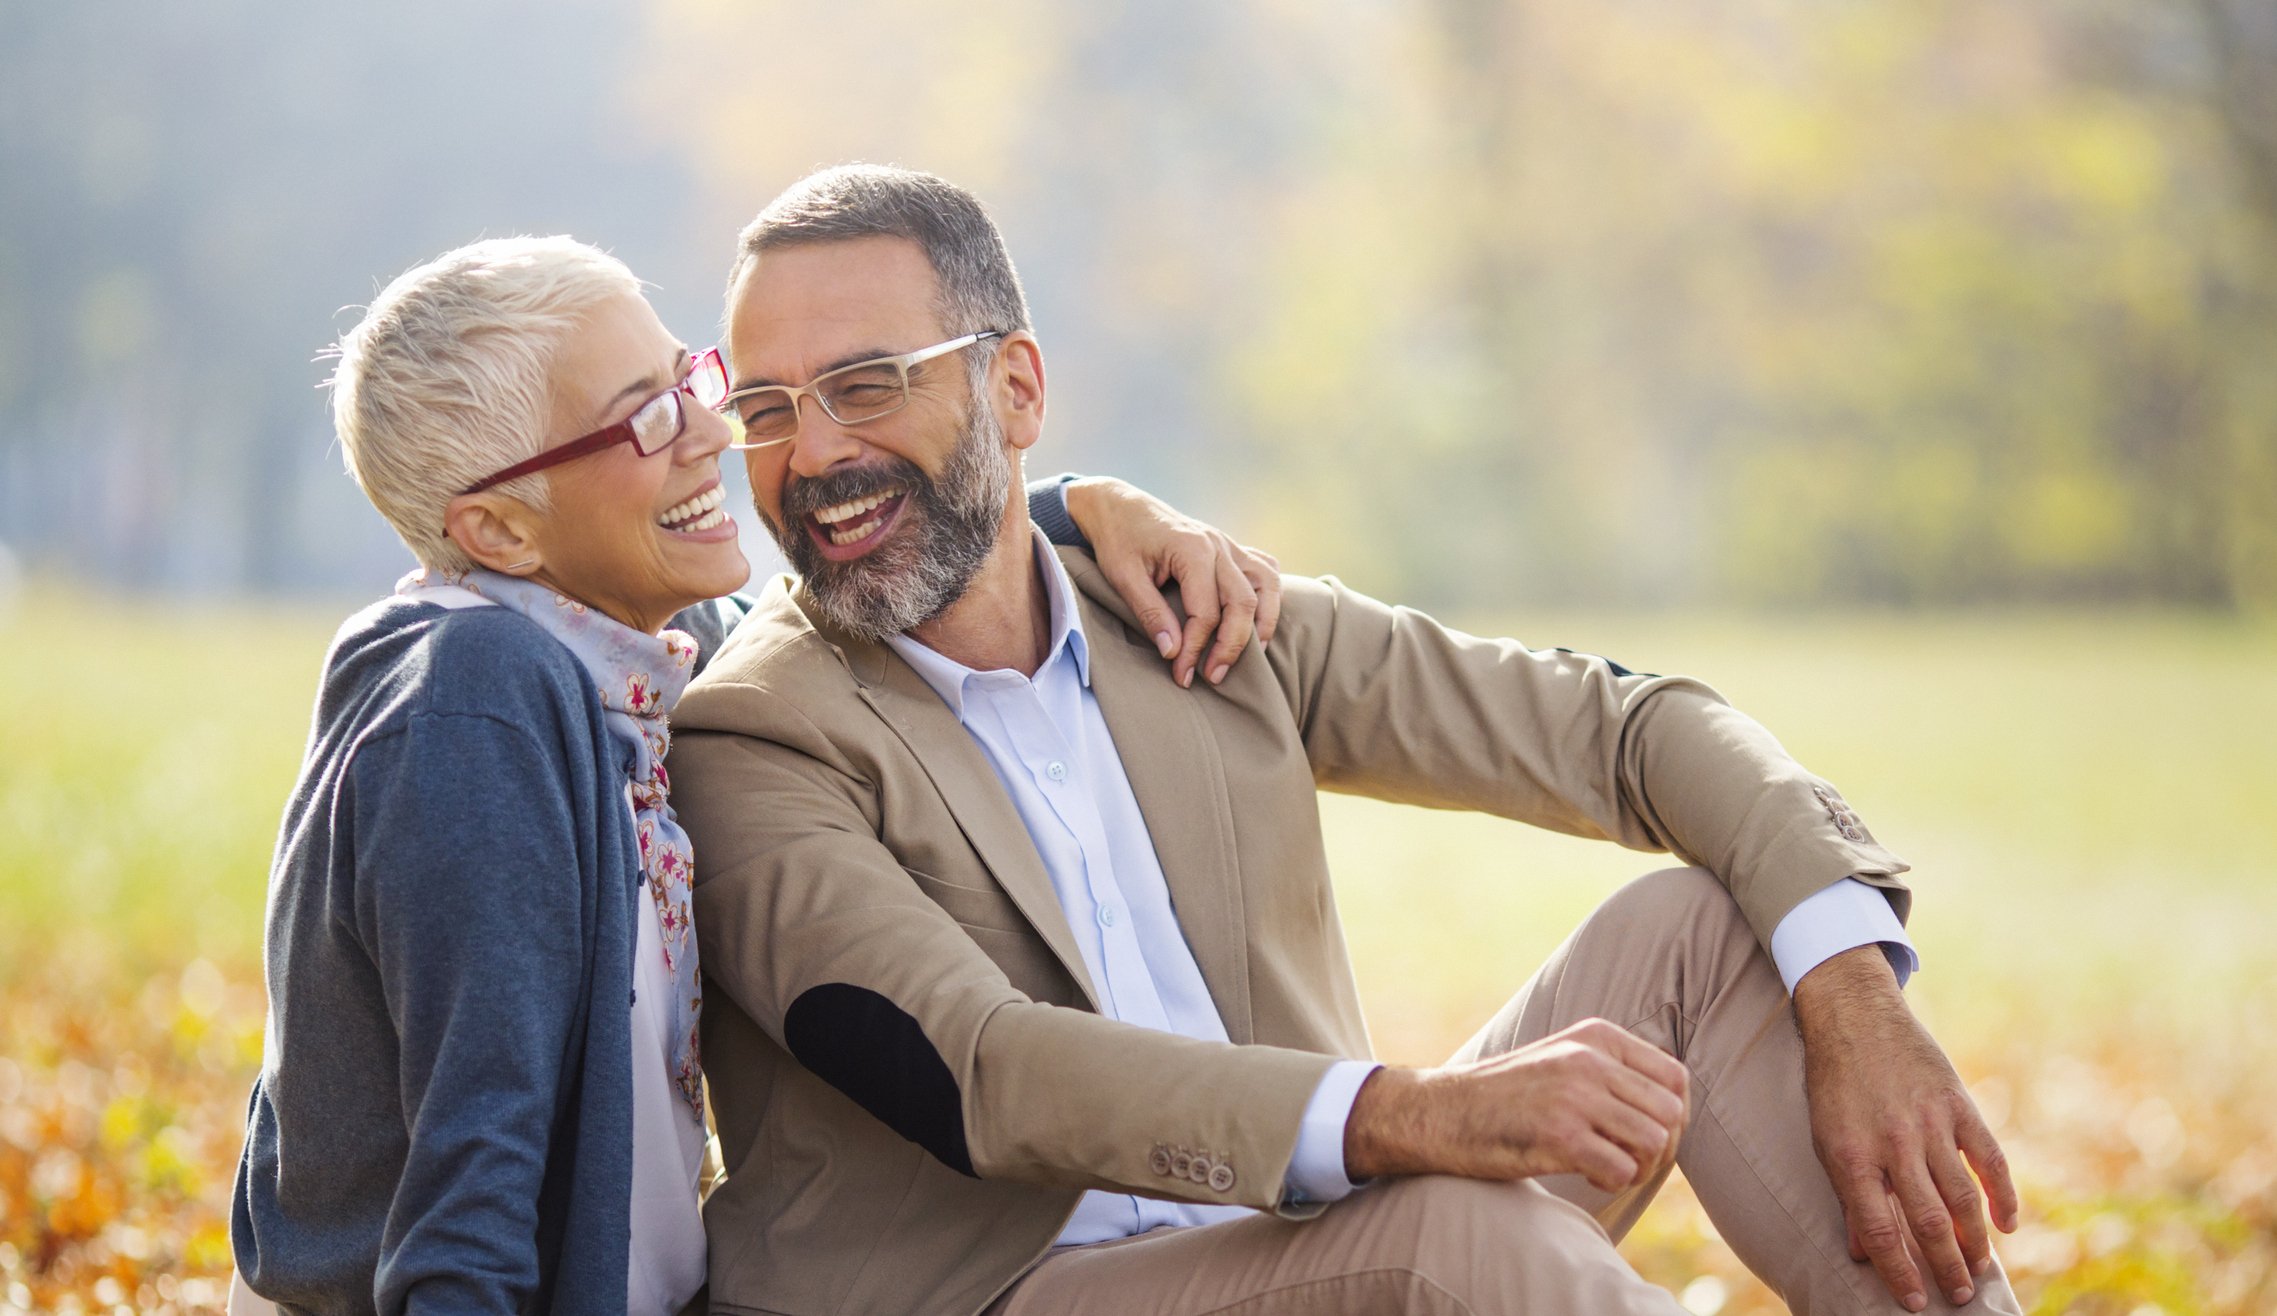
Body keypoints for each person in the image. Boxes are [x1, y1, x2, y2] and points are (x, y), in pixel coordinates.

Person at [667, 165, 2025, 1315]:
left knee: (1708, 931)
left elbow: (1627, 729)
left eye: (865, 384)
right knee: (1462, 1231)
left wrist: (1851, 991)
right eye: (767, 412)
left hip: (1300, 1237)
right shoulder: (753, 737)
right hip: (1001, 1292)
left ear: (1015, 390)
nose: (811, 454)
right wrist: (1411, 1119)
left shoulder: (1193, 612)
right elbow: (987, 1071)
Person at [225, 233, 1280, 1315]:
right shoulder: (476, 703)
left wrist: (1075, 506)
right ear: (497, 527)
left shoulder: (637, 653)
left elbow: (864, 574)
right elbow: (469, 1186)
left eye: (690, 380)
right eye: (645, 418)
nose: (712, 433)